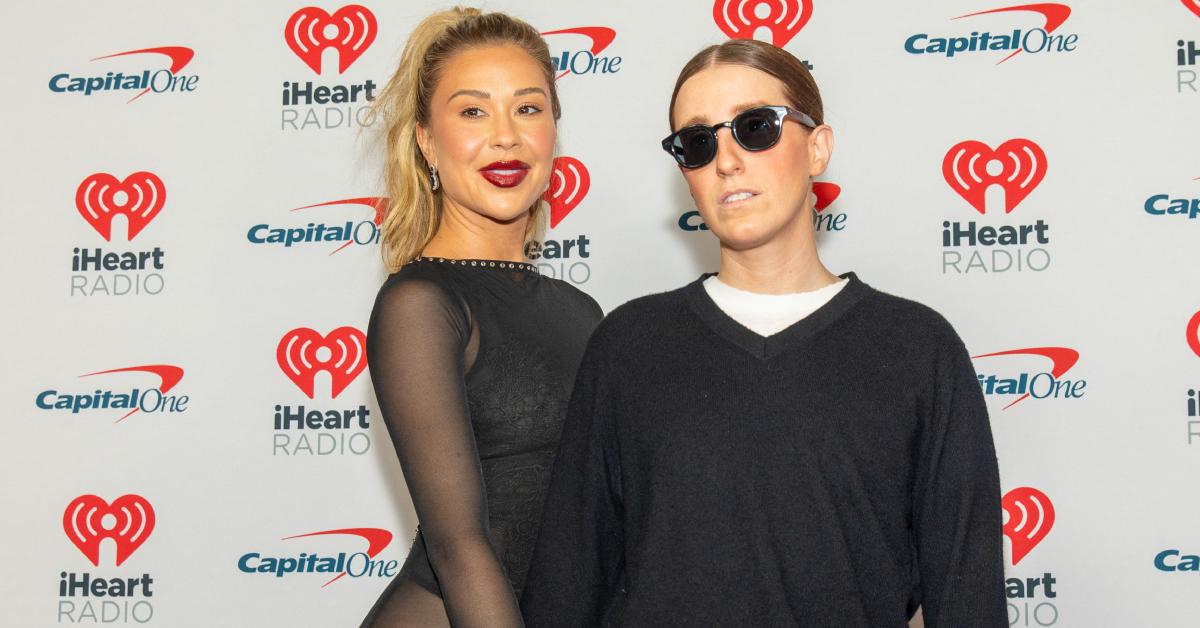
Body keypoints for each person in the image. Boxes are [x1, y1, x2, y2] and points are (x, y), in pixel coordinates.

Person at [521, 39, 1005, 627]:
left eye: (755, 127)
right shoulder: (629, 346)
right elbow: (565, 588)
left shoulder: (917, 349)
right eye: (697, 143)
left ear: (818, 147)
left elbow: (968, 598)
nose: (725, 160)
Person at [361, 8, 602, 627]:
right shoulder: (421, 304)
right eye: (472, 111)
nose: (505, 136)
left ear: (554, 128)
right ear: (426, 141)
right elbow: (460, 545)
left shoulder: (581, 312)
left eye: (528, 108)